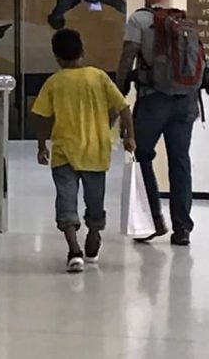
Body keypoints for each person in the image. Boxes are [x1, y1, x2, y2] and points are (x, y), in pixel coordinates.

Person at [33, 28, 135, 273]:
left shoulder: (54, 82)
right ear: (82, 51)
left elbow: (42, 117)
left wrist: (41, 145)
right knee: (95, 200)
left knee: (65, 201)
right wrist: (130, 136)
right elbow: (123, 107)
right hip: (95, 152)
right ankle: (94, 232)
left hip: (63, 152)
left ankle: (73, 250)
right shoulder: (98, 77)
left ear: (56, 56)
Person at [116, 0, 198, 247]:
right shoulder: (184, 21)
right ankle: (182, 228)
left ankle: (153, 221)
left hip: (154, 100)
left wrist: (119, 94)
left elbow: (127, 59)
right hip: (186, 102)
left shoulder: (139, 20)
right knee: (180, 162)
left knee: (141, 153)